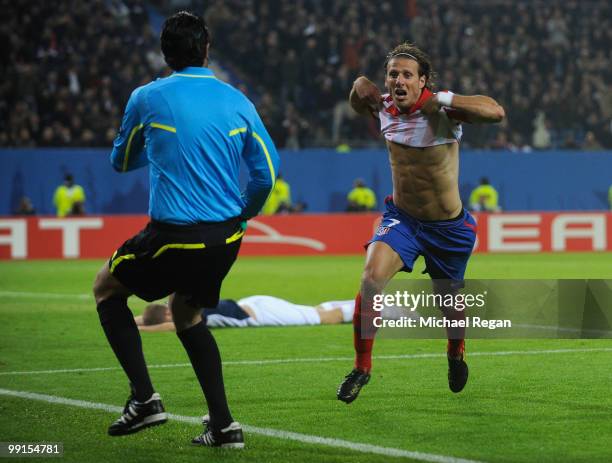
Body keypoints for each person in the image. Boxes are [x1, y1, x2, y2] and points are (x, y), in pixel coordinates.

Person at [92, 12, 279, 447]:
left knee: (106, 289)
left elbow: (119, 163)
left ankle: (144, 400)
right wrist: (243, 214)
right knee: (187, 314)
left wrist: (156, 148)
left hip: (174, 236)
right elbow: (266, 175)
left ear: (164, 53)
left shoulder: (147, 97)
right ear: (207, 50)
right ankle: (224, 424)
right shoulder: (238, 101)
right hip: (226, 237)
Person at [337, 42, 504, 403]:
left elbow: (495, 112)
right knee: (370, 280)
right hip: (403, 220)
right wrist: (359, 83)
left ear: (422, 81)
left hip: (449, 228)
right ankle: (362, 367)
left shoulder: (442, 113)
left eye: (406, 74)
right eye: (392, 74)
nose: (398, 80)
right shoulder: (383, 107)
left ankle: (455, 350)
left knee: (449, 301)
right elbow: (358, 99)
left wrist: (443, 98)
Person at [135, 296, 355, 331]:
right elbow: (152, 315)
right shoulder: (173, 303)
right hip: (253, 303)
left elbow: (174, 326)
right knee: (316, 311)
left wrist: (141, 329)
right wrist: (132, 323)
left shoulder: (182, 315)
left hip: (260, 313)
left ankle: (385, 308)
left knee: (325, 318)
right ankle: (369, 298)